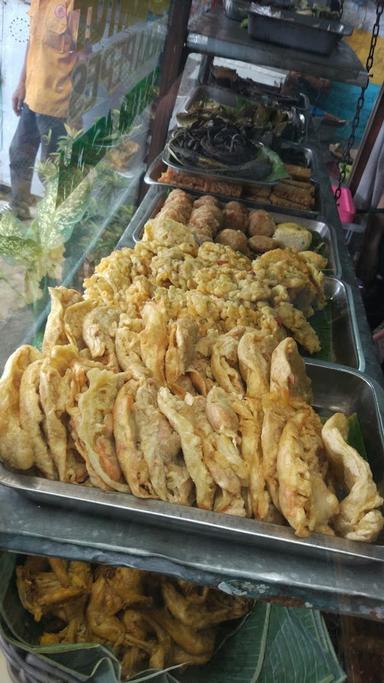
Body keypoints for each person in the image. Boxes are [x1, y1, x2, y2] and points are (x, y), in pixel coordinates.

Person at [9, 1, 80, 219]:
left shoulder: (75, 4)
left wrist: (78, 107)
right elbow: (33, 42)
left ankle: (54, 230)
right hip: (32, 96)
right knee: (19, 153)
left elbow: (86, 55)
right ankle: (18, 213)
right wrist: (21, 84)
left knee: (52, 174)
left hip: (58, 105)